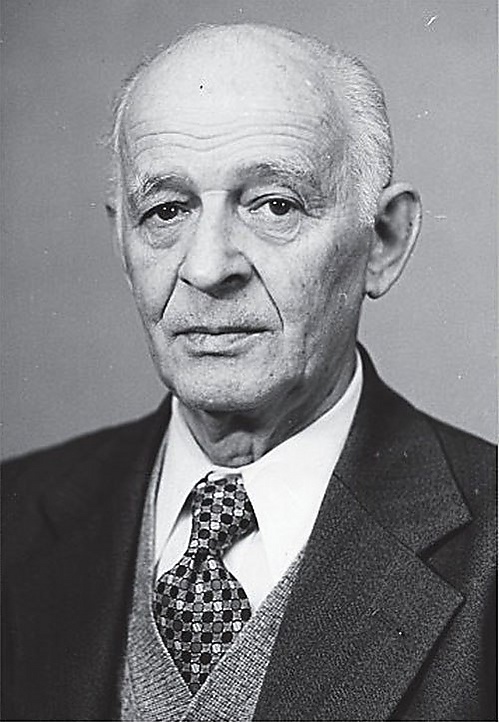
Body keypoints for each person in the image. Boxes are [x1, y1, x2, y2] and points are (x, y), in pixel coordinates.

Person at [1, 23, 496, 722]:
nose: (207, 267)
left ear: (382, 241)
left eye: (274, 205)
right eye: (166, 211)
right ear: (122, 241)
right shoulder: (15, 515)